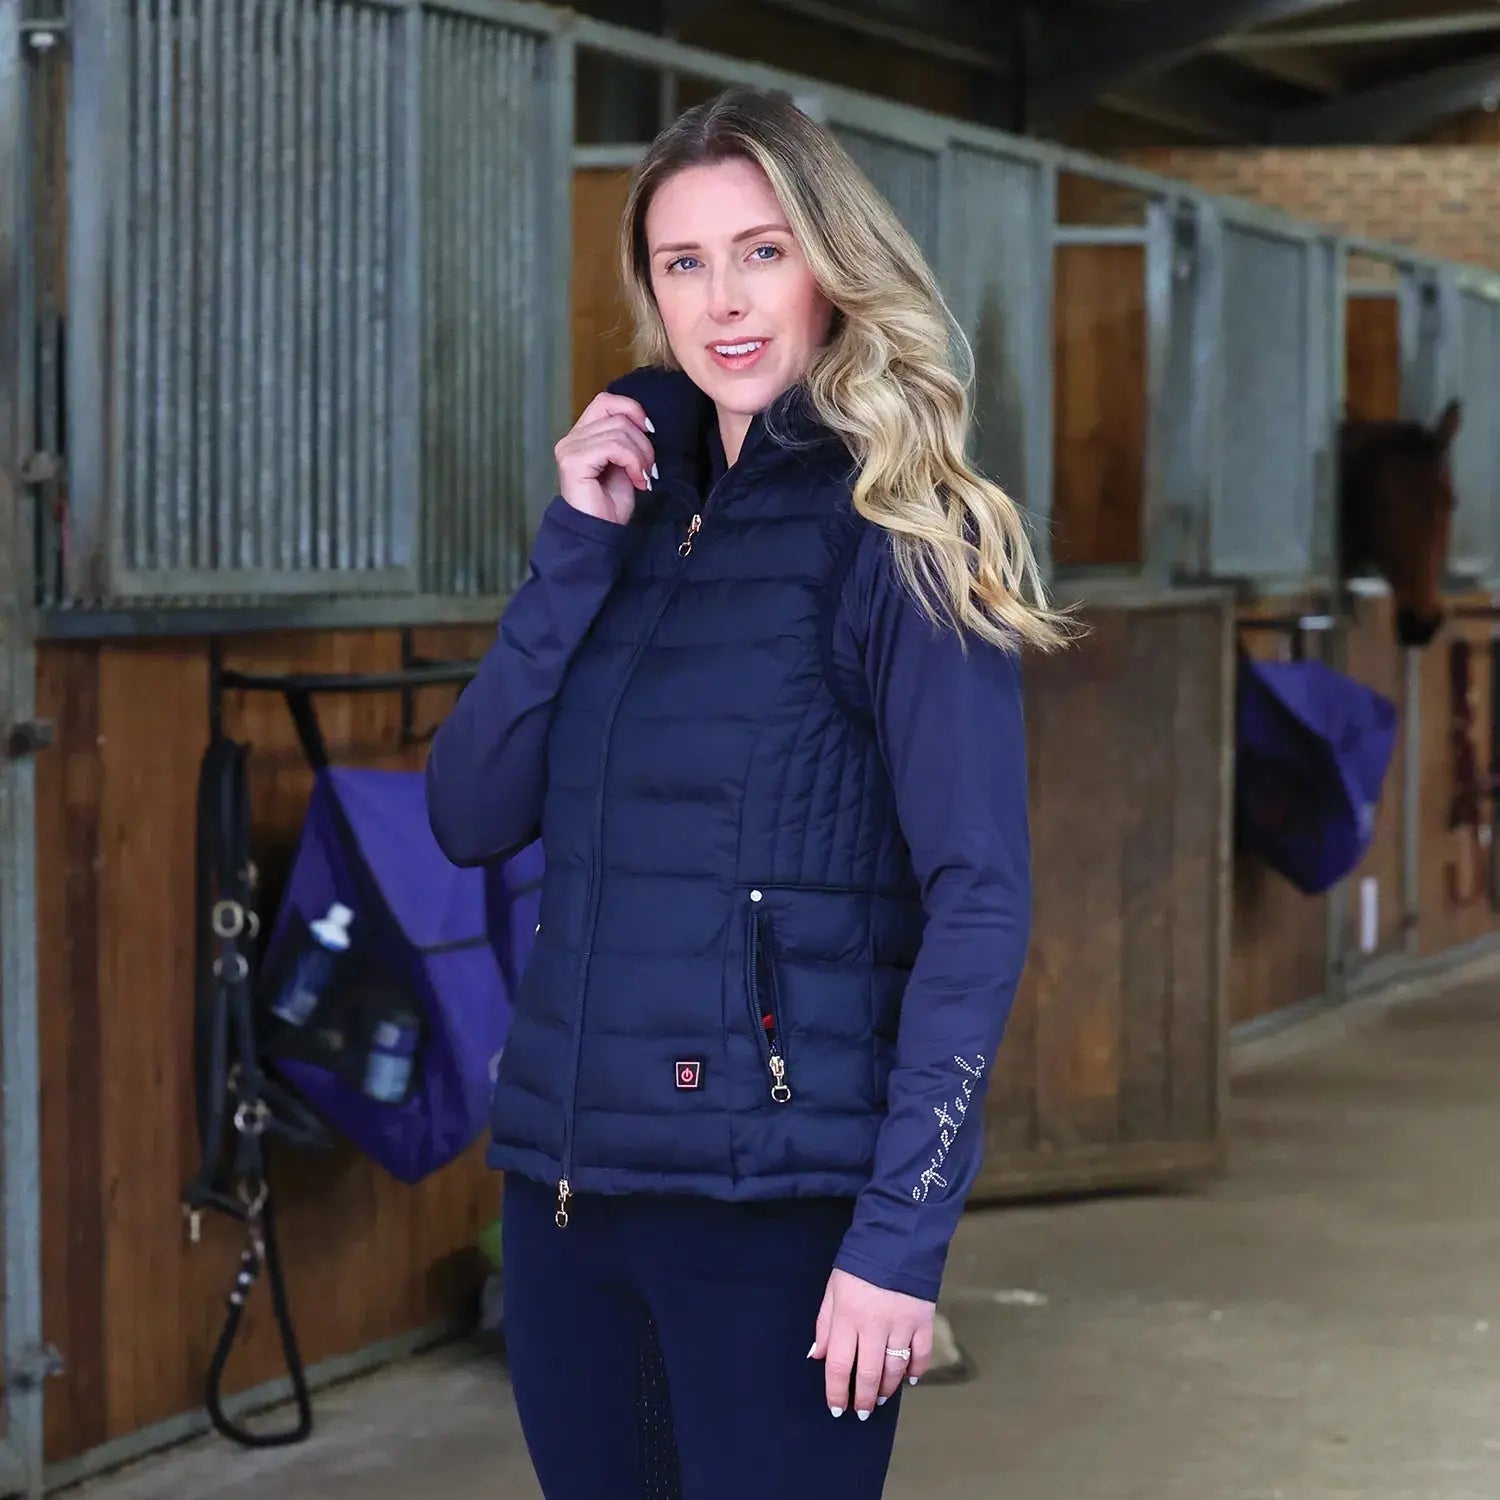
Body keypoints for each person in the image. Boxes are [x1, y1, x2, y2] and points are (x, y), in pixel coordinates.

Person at [425, 84, 1070, 1500]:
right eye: (684, 261)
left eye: (763, 252)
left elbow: (978, 899)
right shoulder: (623, 519)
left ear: (833, 266)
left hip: (778, 1213)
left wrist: (900, 1240)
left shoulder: (904, 533)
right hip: (569, 1200)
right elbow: (469, 813)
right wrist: (571, 553)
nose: (723, 300)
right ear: (651, 290)